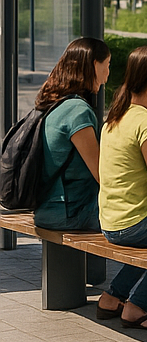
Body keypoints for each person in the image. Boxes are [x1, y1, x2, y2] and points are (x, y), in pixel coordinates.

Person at [97, 44, 147, 331]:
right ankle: (139, 306)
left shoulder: (114, 117)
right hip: (134, 224)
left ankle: (113, 296)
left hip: (110, 221)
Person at [34, 38, 111, 232]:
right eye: (107, 65)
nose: (107, 76)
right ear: (95, 64)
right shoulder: (78, 111)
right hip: (72, 211)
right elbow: (101, 174)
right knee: (140, 227)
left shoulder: (55, 103)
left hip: (48, 208)